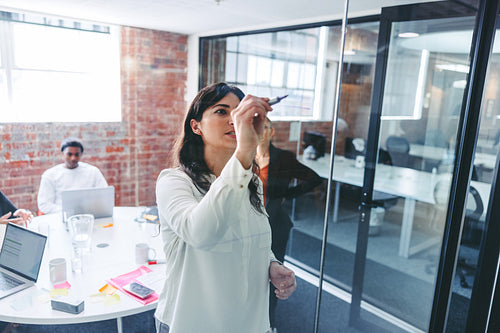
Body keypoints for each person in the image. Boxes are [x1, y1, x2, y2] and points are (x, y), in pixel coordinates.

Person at [155, 82, 297, 333]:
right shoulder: (174, 182)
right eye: (222, 111)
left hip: (249, 322)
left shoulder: (251, 181)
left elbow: (252, 237)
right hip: (192, 323)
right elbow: (201, 233)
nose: (234, 120)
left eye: (238, 112)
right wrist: (245, 151)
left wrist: (272, 265)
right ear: (195, 126)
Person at [256, 117, 322, 328]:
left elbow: (314, 178)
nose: (260, 132)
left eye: (264, 128)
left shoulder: (283, 158)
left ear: (271, 132)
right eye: (255, 128)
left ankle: (269, 323)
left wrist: (287, 194)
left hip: (276, 225)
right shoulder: (244, 157)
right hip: (251, 226)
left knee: (272, 277)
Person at [37, 137, 108, 214]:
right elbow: (44, 204)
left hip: (89, 216)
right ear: (62, 153)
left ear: (81, 154)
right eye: (69, 154)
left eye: (76, 154)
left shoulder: (93, 172)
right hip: (59, 217)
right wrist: (69, 212)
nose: (73, 158)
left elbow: (105, 196)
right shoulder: (50, 175)